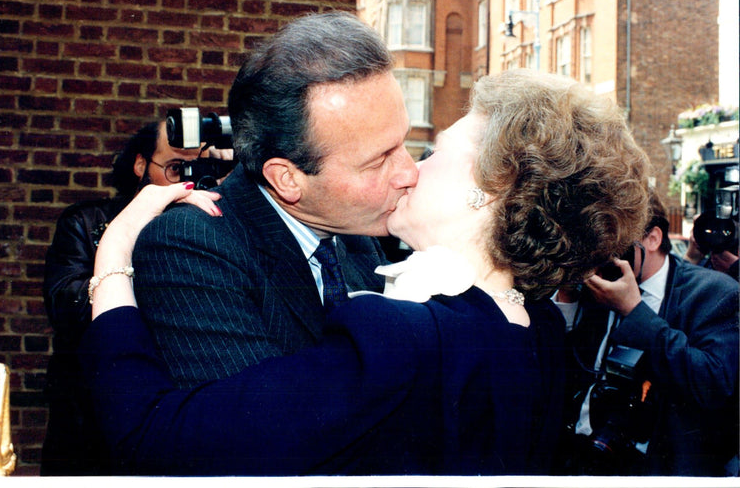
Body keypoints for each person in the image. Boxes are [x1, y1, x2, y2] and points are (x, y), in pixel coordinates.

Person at [79, 68, 652, 475]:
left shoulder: (403, 338)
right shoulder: (543, 331)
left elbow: (149, 434)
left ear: (491, 189)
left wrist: (112, 259)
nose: (407, 172)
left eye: (431, 153)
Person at [132, 11, 418, 388]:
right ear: (286, 179)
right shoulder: (190, 248)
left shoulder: (355, 237)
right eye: (380, 159)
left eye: (403, 143)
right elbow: (266, 429)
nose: (409, 172)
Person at [41, 120, 222, 475]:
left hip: (181, 417)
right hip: (93, 423)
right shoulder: (90, 221)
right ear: (141, 165)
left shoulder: (217, 228)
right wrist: (125, 236)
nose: (187, 179)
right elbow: (67, 309)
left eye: (199, 168)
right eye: (175, 168)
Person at [553, 191, 740, 476]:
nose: (604, 252)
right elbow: (564, 365)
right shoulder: (600, 285)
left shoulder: (714, 294)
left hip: (658, 467)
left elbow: (713, 383)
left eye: (613, 240)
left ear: (652, 238)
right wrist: (567, 293)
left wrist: (634, 311)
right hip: (583, 453)